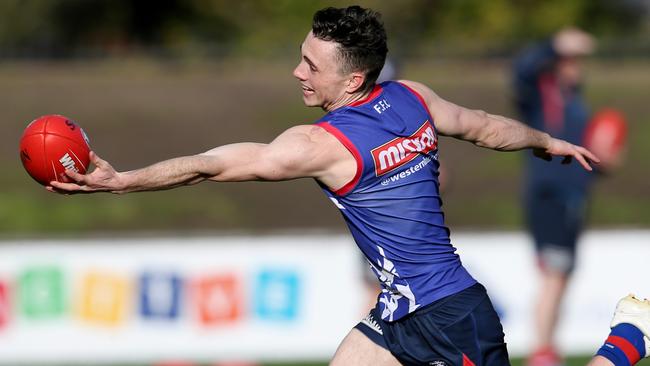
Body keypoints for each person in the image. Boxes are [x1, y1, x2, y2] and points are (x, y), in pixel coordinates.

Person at [48, 6, 648, 366]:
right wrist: (547, 141)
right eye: (300, 56)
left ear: (354, 77)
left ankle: (629, 335)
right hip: (398, 311)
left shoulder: (324, 144)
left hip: (450, 315)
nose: (297, 72)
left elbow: (214, 164)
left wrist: (121, 181)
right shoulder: (414, 99)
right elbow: (487, 128)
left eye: (311, 65)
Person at [512, 27, 598, 366]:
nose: (576, 67)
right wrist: (554, 42)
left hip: (573, 197)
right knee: (554, 272)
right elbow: (522, 69)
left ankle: (548, 349)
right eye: (569, 60)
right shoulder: (539, 94)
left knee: (561, 275)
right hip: (549, 195)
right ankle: (542, 352)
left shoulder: (576, 101)